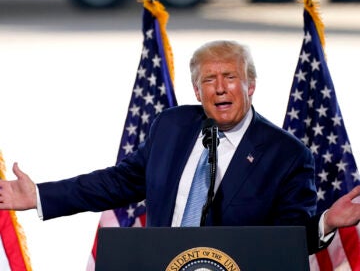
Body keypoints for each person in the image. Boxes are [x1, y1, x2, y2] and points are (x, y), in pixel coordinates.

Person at [0, 40, 360, 255]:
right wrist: (39, 196)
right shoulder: (172, 126)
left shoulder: (287, 155)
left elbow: (287, 240)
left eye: (230, 77)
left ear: (250, 86)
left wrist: (327, 221)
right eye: (209, 80)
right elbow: (118, 182)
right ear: (197, 92)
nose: (220, 88)